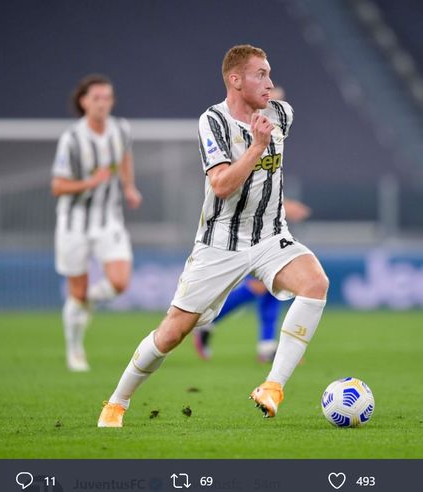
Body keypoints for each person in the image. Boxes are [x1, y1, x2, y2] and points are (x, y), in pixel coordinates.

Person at [98, 45, 329, 427]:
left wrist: (265, 102)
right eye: (260, 74)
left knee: (315, 283)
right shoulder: (213, 122)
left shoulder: (281, 115)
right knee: (172, 333)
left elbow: (271, 123)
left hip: (271, 235)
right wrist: (256, 147)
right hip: (220, 243)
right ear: (234, 80)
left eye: (270, 74)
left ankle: (273, 386)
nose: (270, 83)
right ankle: (117, 403)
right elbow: (221, 185)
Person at [51, 74, 142, 371]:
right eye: (96, 98)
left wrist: (129, 187)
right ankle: (74, 349)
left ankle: (84, 302)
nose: (103, 103)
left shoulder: (121, 130)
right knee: (75, 289)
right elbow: (57, 186)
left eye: (107, 97)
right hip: (73, 223)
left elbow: (125, 157)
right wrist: (90, 182)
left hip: (108, 220)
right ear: (83, 102)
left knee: (119, 282)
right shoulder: (72, 139)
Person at [193, 197, 311, 363]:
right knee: (259, 286)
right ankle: (207, 320)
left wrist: (283, 205)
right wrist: (285, 206)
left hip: (264, 234)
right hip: (244, 234)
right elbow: (249, 193)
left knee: (273, 285)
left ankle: (267, 345)